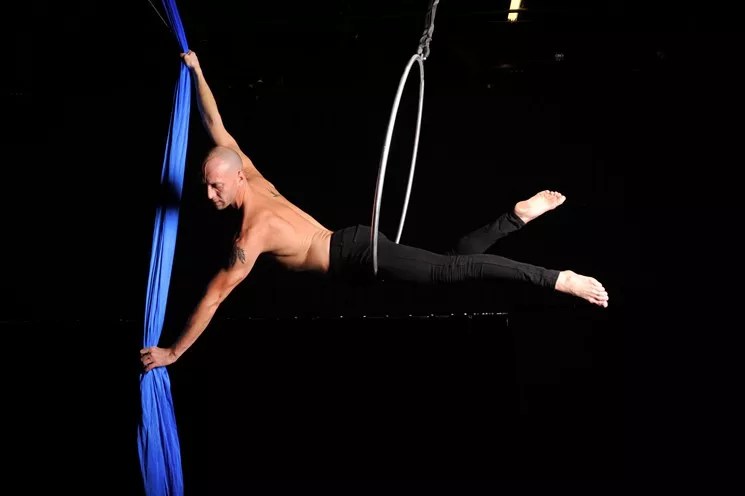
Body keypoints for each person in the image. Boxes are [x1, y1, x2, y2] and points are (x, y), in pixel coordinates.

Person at [140, 51, 609, 373]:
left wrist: (173, 352)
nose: (210, 195)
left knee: (453, 271)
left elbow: (213, 297)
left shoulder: (251, 234)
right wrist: (197, 71)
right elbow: (214, 123)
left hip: (357, 256)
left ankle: (556, 278)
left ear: (237, 177)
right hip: (355, 252)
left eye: (216, 186)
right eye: (206, 186)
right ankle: (514, 219)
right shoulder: (249, 173)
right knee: (453, 263)